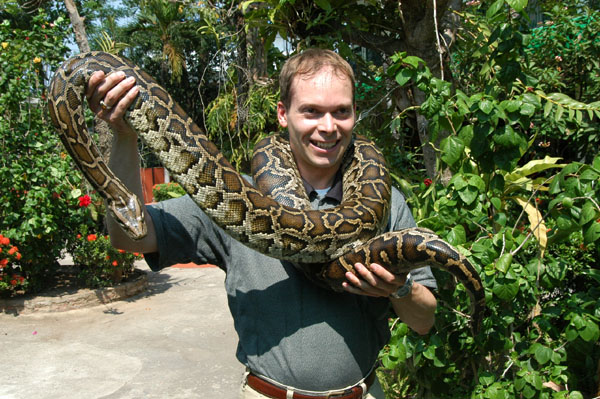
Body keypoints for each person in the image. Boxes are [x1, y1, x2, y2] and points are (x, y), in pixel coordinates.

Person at [86, 48, 437, 399]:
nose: (328, 127)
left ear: (354, 115)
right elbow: (129, 236)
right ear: (283, 114)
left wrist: (399, 288)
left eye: (341, 112)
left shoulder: (384, 202)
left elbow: (424, 321)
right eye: (311, 111)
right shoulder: (231, 194)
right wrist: (125, 136)